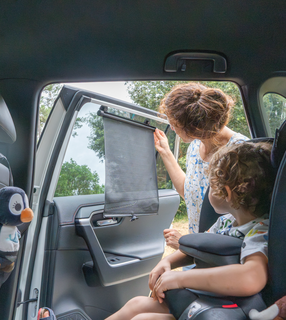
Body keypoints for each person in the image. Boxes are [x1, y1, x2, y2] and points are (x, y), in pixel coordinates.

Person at [105, 141, 275, 320]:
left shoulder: (259, 231)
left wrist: (181, 279)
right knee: (136, 305)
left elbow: (251, 278)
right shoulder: (225, 222)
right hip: (205, 298)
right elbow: (202, 249)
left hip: (226, 308)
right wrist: (170, 262)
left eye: (211, 185)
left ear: (226, 192)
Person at [154, 83, 248, 250]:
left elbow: (243, 220)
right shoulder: (195, 148)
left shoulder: (241, 152)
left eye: (175, 124)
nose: (173, 128)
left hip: (220, 256)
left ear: (195, 127)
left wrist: (187, 242)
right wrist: (165, 152)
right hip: (197, 252)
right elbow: (191, 194)